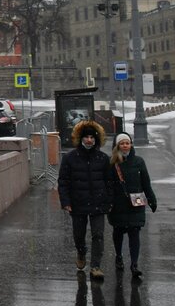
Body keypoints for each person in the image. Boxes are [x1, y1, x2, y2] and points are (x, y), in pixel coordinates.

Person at [58, 120, 113, 279]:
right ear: (80, 139)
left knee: (98, 235)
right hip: (78, 203)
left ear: (96, 139)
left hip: (98, 202)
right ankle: (81, 253)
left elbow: (109, 182)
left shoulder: (103, 158)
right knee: (78, 235)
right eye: (86, 137)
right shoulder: (70, 158)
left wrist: (109, 201)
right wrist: (66, 202)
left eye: (92, 137)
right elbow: (63, 182)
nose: (89, 140)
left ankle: (96, 266)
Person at [108, 133, 157, 280]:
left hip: (136, 203)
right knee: (118, 231)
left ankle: (134, 264)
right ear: (117, 146)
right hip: (118, 204)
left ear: (131, 145)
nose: (125, 146)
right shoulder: (112, 163)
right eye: (122, 143)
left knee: (134, 233)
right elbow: (108, 185)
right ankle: (118, 256)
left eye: (127, 143)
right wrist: (108, 202)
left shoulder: (139, 162)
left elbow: (146, 183)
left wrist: (152, 199)